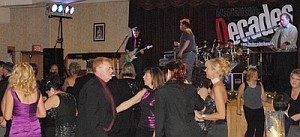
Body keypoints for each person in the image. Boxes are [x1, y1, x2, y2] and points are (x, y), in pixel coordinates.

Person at [155, 61, 204, 137]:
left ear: (169, 72)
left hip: (174, 132)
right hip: (193, 131)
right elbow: (200, 105)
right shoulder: (190, 89)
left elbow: (159, 119)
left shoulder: (162, 92)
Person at [117, 67, 165, 137]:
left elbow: (161, 115)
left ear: (154, 77)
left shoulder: (161, 93)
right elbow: (128, 103)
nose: (143, 77)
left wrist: (156, 133)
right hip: (141, 128)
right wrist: (114, 111)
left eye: (146, 75)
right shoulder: (144, 92)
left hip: (153, 129)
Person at [1, 62, 46, 137]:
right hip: (34, 127)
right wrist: (31, 115)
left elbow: (7, 116)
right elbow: (43, 114)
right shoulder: (36, 91)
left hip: (19, 128)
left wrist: (20, 116)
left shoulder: (12, 91)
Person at [75, 57, 116, 137]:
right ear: (98, 70)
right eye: (108, 68)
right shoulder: (93, 87)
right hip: (92, 133)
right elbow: (92, 116)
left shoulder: (100, 85)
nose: (111, 71)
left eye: (111, 68)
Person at [194, 57, 230, 137]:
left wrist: (202, 116)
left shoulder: (217, 87)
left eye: (208, 68)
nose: (205, 70)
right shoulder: (217, 85)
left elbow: (221, 115)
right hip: (214, 127)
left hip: (216, 128)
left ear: (214, 71)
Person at [108, 62, 143, 137]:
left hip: (122, 117)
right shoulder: (140, 84)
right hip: (138, 118)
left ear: (122, 71)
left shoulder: (116, 84)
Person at [236, 68, 269, 137]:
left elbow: (262, 96)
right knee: (251, 127)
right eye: (254, 75)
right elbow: (239, 96)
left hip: (259, 108)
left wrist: (267, 100)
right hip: (249, 108)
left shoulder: (259, 84)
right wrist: (238, 108)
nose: (256, 76)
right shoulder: (244, 85)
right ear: (250, 75)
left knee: (260, 127)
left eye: (257, 74)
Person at [270, 13, 298, 93]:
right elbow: (274, 39)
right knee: (280, 74)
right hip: (280, 53)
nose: (281, 22)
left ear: (288, 19)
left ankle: (288, 92)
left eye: (283, 20)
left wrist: (285, 44)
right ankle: (280, 92)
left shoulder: (293, 28)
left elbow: (291, 40)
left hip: (288, 54)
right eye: (280, 20)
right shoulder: (279, 29)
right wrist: (272, 44)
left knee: (287, 74)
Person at [44, 72, 77, 137]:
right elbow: (76, 113)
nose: (48, 95)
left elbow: (41, 110)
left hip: (62, 132)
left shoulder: (55, 98)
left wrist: (40, 101)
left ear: (52, 89)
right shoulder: (71, 96)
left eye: (48, 93)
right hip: (73, 130)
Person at [174, 18, 196, 82]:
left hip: (188, 54)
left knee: (186, 70)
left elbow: (188, 41)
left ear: (184, 25)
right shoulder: (189, 32)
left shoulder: (186, 31)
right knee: (186, 70)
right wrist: (179, 44)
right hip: (189, 53)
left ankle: (187, 84)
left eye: (180, 24)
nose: (180, 26)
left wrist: (181, 51)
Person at [283, 69, 300, 136]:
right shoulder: (286, 92)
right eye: (293, 78)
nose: (294, 81)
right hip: (288, 123)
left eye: (297, 79)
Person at [0, 62, 13, 137]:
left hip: (5, 113)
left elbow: (1, 100)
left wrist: (1, 115)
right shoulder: (16, 84)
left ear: (5, 71)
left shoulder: (3, 83)